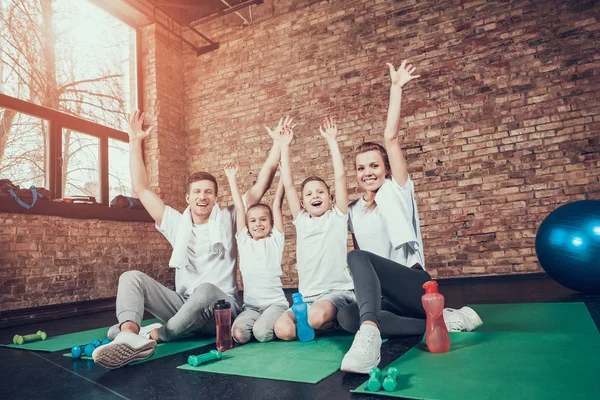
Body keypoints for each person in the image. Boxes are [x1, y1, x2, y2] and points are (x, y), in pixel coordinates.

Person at [92, 111, 284, 369]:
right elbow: (141, 190)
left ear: (216, 198)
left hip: (220, 310)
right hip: (182, 307)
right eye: (196, 192)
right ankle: (128, 335)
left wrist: (277, 145)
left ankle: (156, 336)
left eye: (208, 192)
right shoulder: (175, 222)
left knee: (205, 289)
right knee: (130, 278)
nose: (202, 196)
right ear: (188, 198)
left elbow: (262, 185)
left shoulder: (229, 218)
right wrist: (134, 141)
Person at [338, 61, 482, 374]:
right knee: (347, 317)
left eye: (374, 166)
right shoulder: (352, 210)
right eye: (361, 168)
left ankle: (370, 337)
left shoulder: (396, 190)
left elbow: (391, 138)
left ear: (386, 169)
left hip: (414, 284)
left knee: (358, 257)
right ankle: (442, 320)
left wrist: (396, 88)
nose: (368, 172)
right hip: (388, 295)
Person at [273, 116, 355, 340]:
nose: (315, 196)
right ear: (302, 203)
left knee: (316, 318)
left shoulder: (337, 216)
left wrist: (332, 141)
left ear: (330, 198)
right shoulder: (301, 220)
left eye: (320, 192)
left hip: (336, 292)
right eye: (308, 194)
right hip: (307, 297)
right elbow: (289, 184)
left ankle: (336, 320)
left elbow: (341, 176)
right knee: (282, 330)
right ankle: (320, 323)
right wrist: (285, 147)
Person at [224, 164, 289, 344]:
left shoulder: (275, 240)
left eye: (263, 220)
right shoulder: (244, 241)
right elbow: (239, 208)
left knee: (261, 334)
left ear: (270, 222)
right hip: (251, 307)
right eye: (252, 220)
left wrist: (283, 176)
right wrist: (232, 178)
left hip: (274, 304)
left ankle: (278, 321)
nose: (258, 224)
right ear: (247, 223)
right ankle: (261, 323)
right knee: (238, 334)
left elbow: (277, 204)